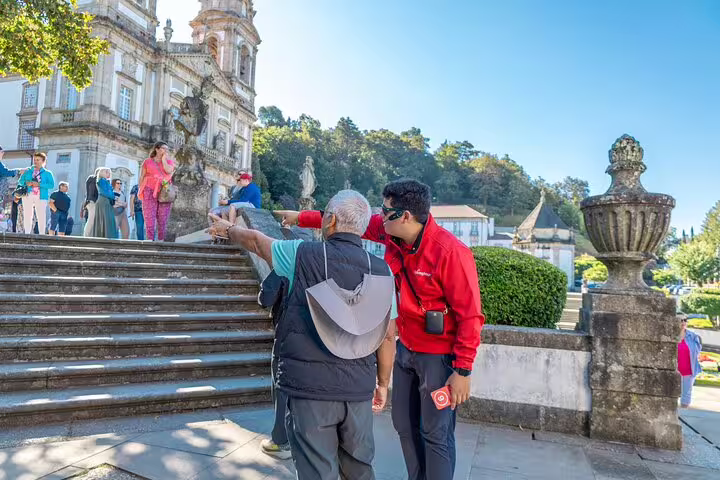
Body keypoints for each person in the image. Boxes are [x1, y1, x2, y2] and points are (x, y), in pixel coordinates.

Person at [276, 179, 485, 480]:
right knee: (404, 426)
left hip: (438, 359)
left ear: (406, 217)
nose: (379, 216)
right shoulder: (391, 232)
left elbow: (471, 316)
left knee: (435, 433)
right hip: (405, 350)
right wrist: (301, 217)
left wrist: (462, 371)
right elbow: (346, 221)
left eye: (385, 211)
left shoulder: (450, 253)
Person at [208, 190, 398, 480]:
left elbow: (258, 242)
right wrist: (382, 383)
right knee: (359, 469)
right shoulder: (382, 271)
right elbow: (387, 336)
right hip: (358, 390)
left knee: (316, 470)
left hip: (310, 390)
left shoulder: (302, 254)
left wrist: (229, 229)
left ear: (330, 220)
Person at [257, 270, 291, 460]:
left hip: (287, 337)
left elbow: (265, 298)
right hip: (320, 340)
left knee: (282, 388)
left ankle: (281, 441)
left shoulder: (286, 259)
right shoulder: (324, 258)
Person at [138, 142, 175, 241]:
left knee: (162, 220)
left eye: (167, 149)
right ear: (157, 149)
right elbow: (142, 176)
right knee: (149, 218)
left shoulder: (169, 162)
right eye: (164, 148)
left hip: (164, 192)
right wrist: (140, 190)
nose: (166, 151)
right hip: (149, 190)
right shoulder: (147, 162)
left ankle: (161, 242)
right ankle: (150, 242)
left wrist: (163, 160)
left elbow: (168, 171)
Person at [17, 152, 55, 235]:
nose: (36, 161)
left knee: (41, 215)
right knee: (27, 214)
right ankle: (27, 233)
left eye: (38, 160)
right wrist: (26, 183)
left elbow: (51, 185)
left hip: (41, 196)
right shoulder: (28, 171)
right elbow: (20, 181)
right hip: (28, 194)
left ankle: (42, 234)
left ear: (43, 161)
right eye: (34, 159)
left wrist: (39, 184)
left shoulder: (47, 173)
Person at [678, 315, 703, 408]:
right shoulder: (671, 335)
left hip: (689, 370)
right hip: (675, 370)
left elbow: (697, 351)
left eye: (685, 320)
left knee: (686, 395)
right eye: (681, 320)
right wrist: (680, 333)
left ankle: (684, 413)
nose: (683, 322)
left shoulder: (693, 336)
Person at [90, 167, 118, 239]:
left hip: (106, 201)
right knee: (105, 218)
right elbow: (105, 192)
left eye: (109, 172)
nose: (109, 174)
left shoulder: (105, 181)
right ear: (102, 173)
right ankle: (106, 236)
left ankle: (107, 236)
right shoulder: (102, 180)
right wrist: (113, 197)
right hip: (103, 201)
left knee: (107, 218)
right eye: (107, 172)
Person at [82, 168, 101, 237]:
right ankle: (86, 236)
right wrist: (94, 200)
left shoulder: (93, 179)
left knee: (91, 220)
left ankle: (89, 236)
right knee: (90, 220)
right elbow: (91, 191)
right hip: (92, 202)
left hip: (91, 202)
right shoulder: (93, 178)